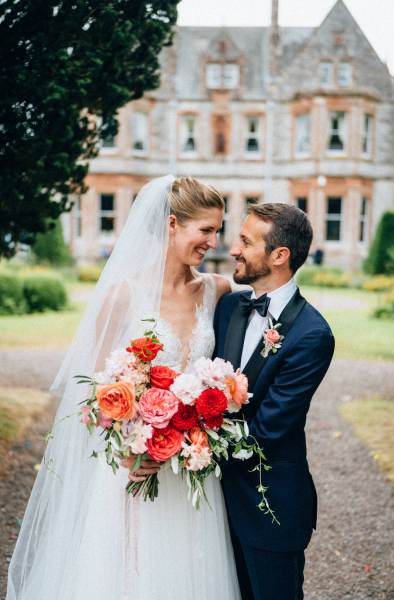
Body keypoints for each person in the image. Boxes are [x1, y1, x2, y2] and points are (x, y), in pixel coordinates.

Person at [6, 175, 240, 600]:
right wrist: (136, 445)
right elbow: (96, 395)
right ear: (172, 224)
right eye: (205, 230)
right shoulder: (123, 297)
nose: (213, 241)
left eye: (217, 230)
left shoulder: (217, 290)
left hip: (192, 466)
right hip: (133, 466)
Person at [213, 203, 335, 600]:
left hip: (270, 508)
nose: (234, 249)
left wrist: (188, 447)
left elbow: (267, 429)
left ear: (279, 256)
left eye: (246, 242)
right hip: (211, 507)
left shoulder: (312, 334)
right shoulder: (229, 307)